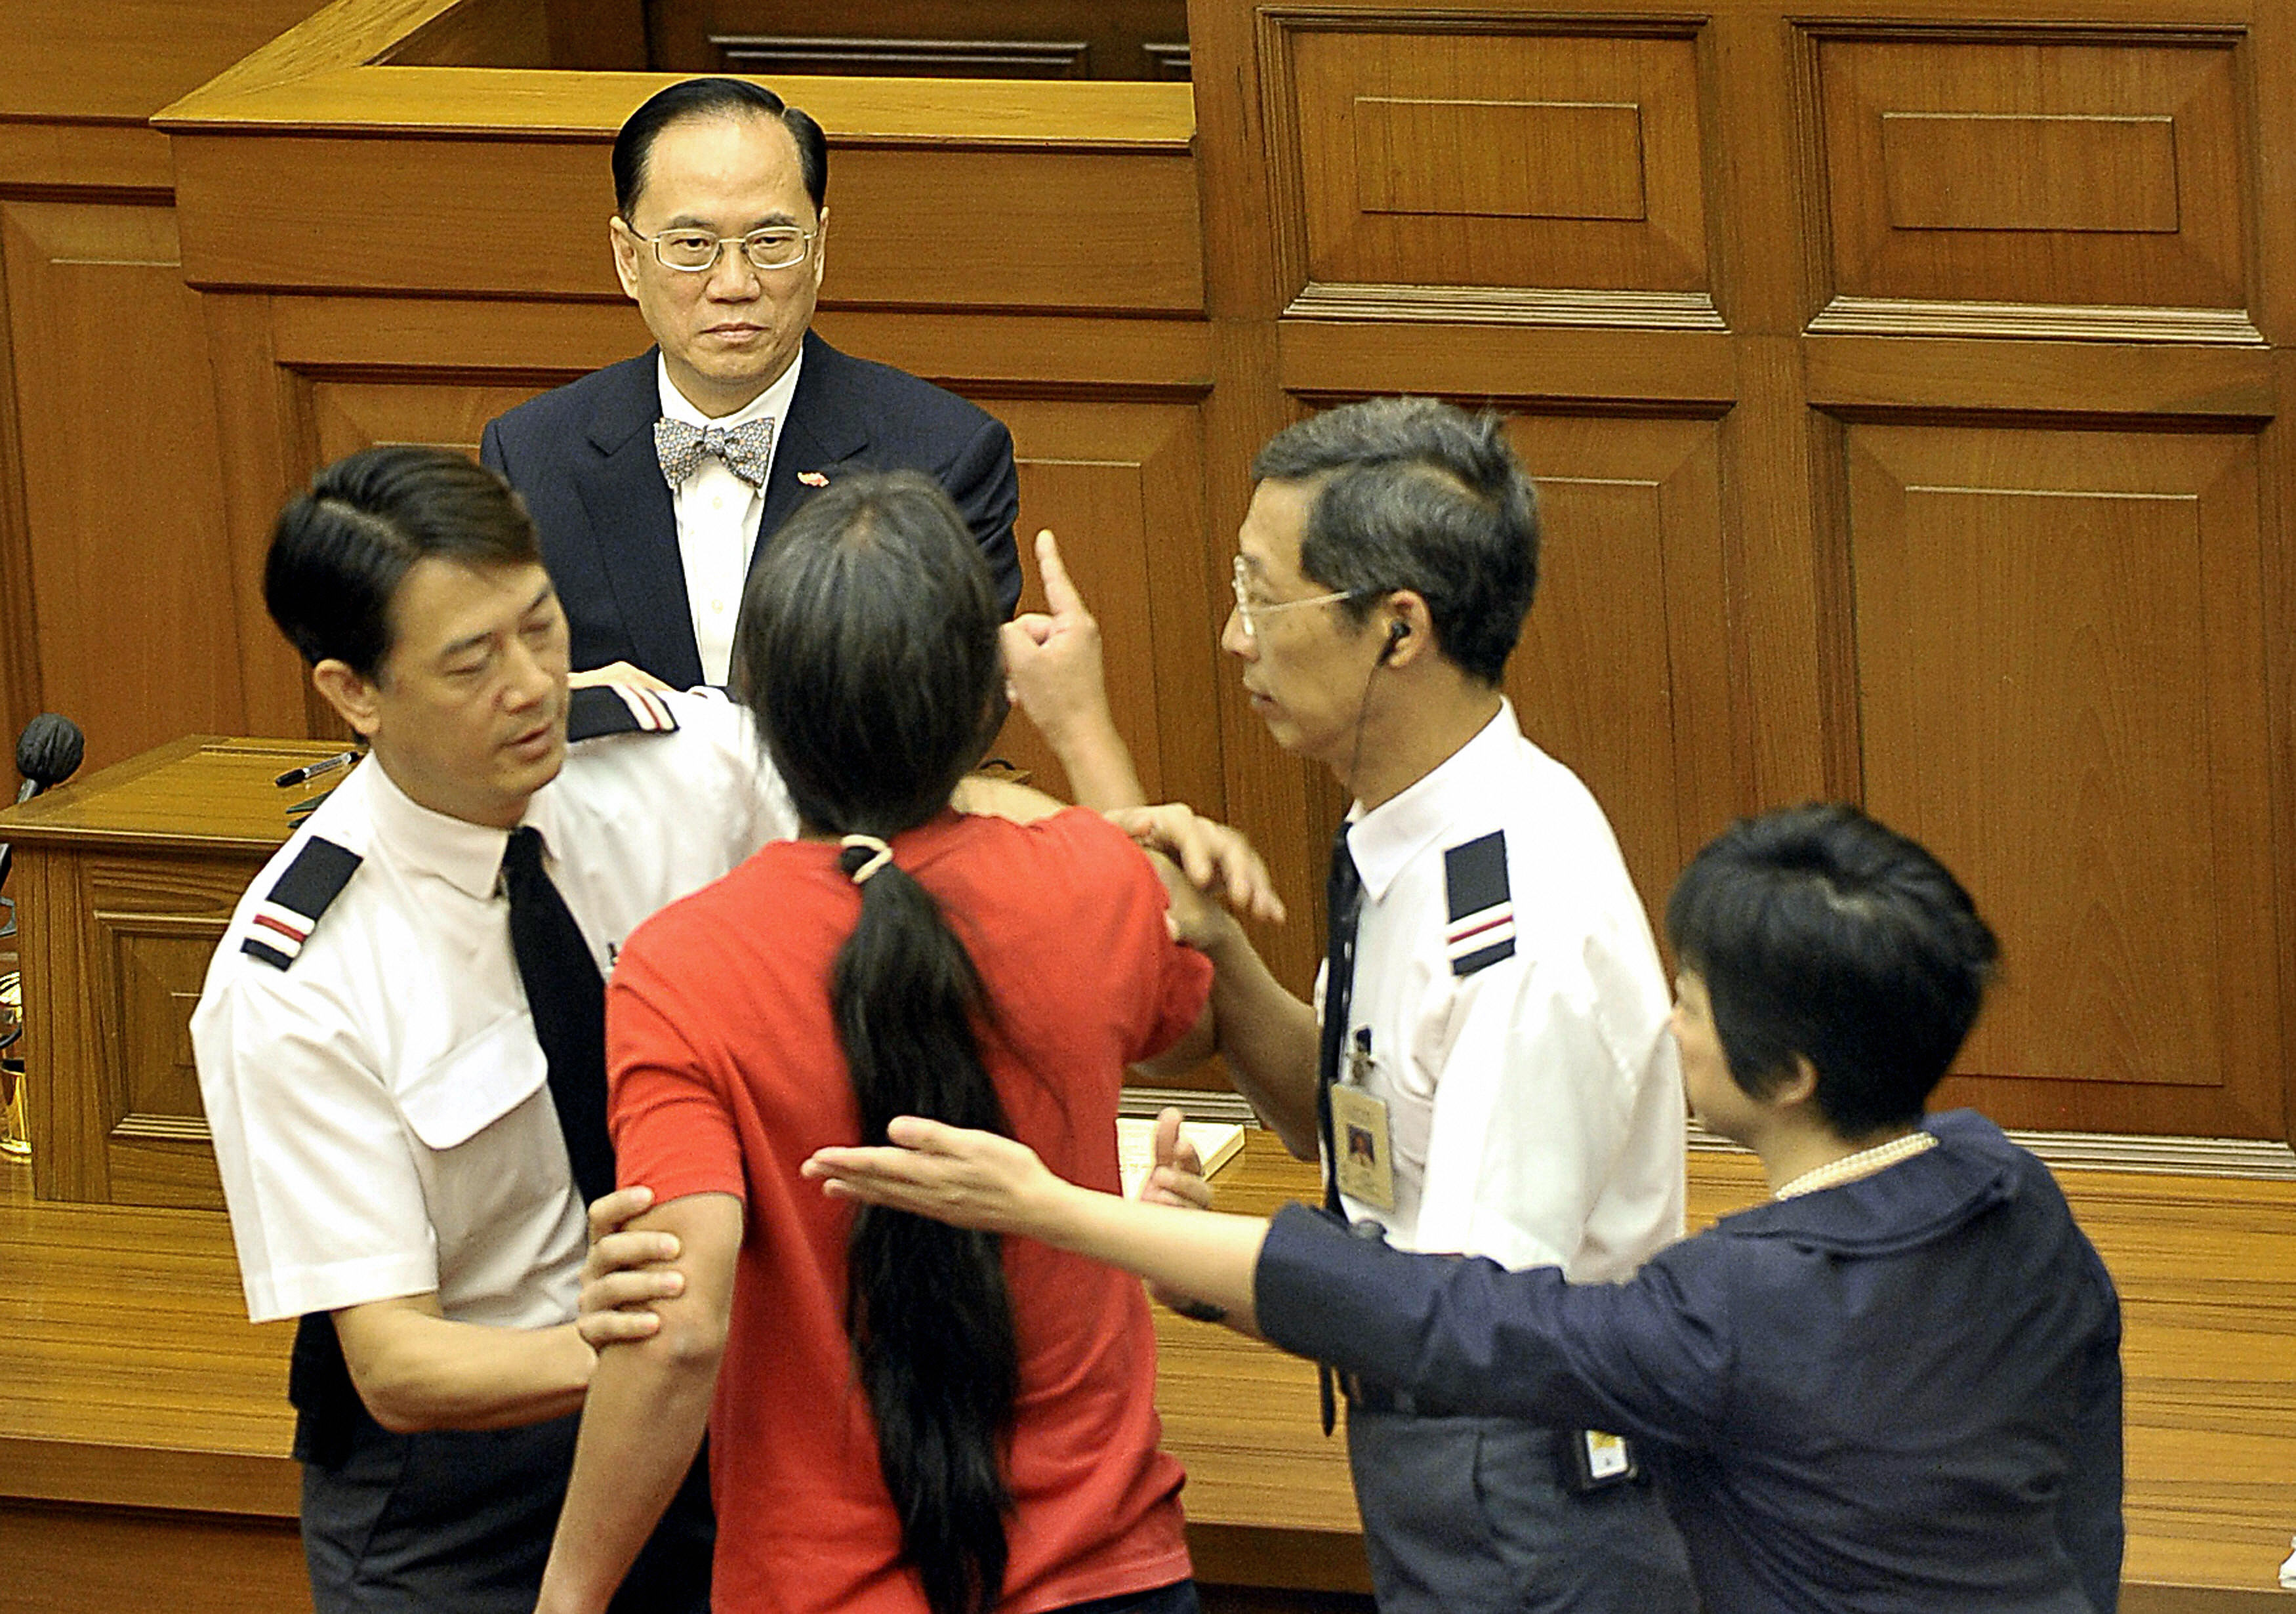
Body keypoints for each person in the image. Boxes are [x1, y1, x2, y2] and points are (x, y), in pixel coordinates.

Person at [806, 803, 2129, 1614]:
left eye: (1693, 1004)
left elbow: (1447, 1321)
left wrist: (1055, 1209)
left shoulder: (1727, 1315)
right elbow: (2085, 1514)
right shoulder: (2013, 1190)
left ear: (1787, 1075)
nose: (1665, 1018)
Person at [1006, 397, 1694, 1611]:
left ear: (1399, 629)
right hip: (1444, 1458)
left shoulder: (1518, 926)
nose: (1234, 638)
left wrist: (1156, 1245)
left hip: (1532, 1497)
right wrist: (1211, 940)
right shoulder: (1411, 820)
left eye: (1264, 599)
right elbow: (1357, 1118)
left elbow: (1464, 1322)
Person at [533, 472, 1263, 1614]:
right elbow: (1188, 1014)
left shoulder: (684, 967)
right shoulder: (1090, 883)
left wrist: (568, 1597)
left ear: (766, 712)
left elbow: (676, 1335)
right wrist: (1085, 733)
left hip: (819, 1587)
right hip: (1106, 1569)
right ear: (984, 700)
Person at [190, 445, 800, 1611]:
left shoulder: (665, 763)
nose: (531, 685)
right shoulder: (297, 975)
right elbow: (397, 1363)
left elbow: (892, 811)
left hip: (722, 1434)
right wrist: (640, 1350)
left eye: (541, 626)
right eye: (473, 661)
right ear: (354, 693)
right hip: (465, 1502)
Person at [480, 75, 1021, 691]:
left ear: (817, 251)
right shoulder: (529, 456)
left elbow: (953, 705)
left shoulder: (945, 457)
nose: (734, 282)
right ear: (628, 258)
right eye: (692, 245)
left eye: (771, 242)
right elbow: (496, 684)